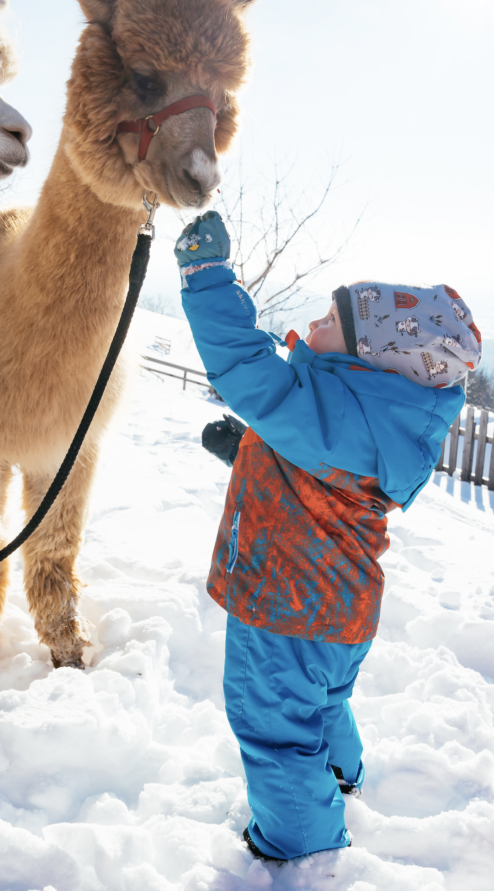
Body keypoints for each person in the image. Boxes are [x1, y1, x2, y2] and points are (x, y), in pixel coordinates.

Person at [174, 210, 481, 863]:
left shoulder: (327, 407)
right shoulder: (382, 420)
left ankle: (300, 850)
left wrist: (205, 274)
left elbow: (241, 364)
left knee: (274, 731)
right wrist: (255, 453)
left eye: (330, 322)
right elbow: (328, 477)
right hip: (339, 610)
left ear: (369, 357)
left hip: (287, 606)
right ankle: (341, 776)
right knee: (318, 704)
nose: (311, 324)